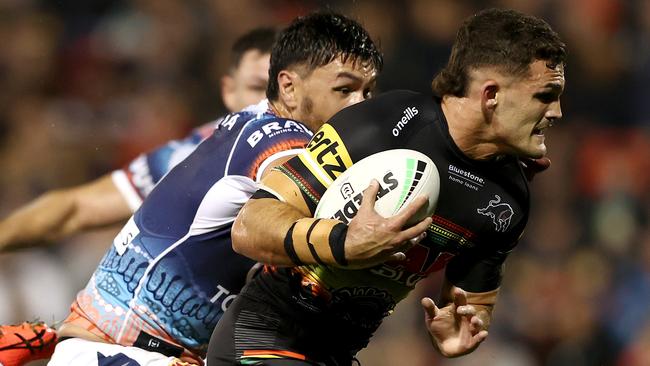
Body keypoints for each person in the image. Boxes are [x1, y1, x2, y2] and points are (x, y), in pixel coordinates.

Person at [207, 8, 567, 365]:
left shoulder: (509, 201)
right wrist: (343, 242)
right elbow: (250, 226)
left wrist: (461, 327)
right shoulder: (382, 127)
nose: (557, 112)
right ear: (491, 95)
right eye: (545, 95)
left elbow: (473, 302)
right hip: (259, 341)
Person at [47, 12, 386, 366]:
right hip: (123, 354)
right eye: (344, 90)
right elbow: (282, 180)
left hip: (104, 348)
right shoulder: (289, 144)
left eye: (368, 91)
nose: (360, 105)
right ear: (288, 87)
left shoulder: (247, 123)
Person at [0, 27, 276, 366]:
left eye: (277, 89)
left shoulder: (320, 169)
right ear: (228, 90)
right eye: (257, 88)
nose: (268, 104)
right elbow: (76, 208)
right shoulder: (191, 158)